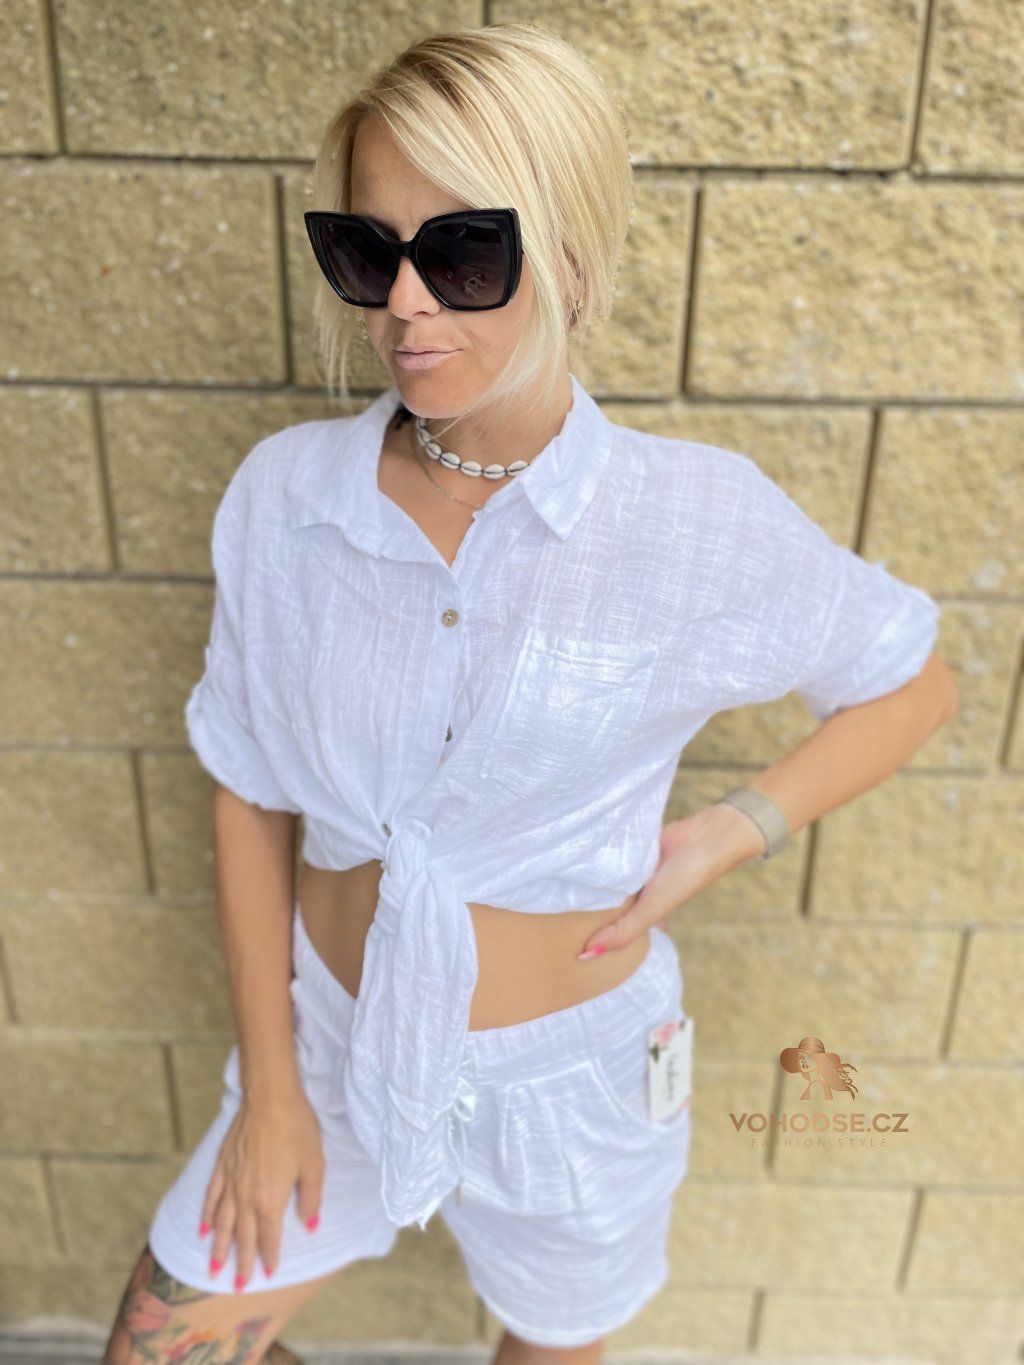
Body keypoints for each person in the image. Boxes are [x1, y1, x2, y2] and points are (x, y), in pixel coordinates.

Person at [102, 21, 959, 1365]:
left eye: (461, 253)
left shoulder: (691, 522)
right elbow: (249, 785)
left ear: (572, 258)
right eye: (366, 251)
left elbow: (910, 682)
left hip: (572, 1086)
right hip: (323, 1043)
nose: (404, 304)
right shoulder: (286, 500)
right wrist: (270, 1086)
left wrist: (731, 832)